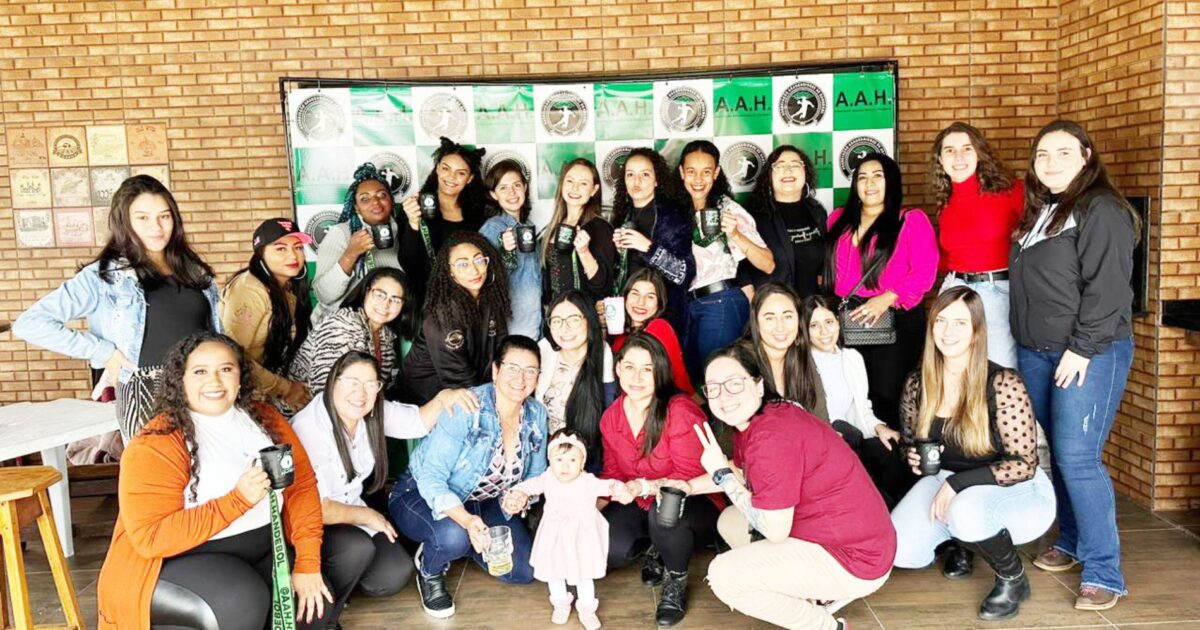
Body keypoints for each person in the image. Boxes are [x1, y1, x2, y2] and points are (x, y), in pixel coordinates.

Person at [95, 332, 334, 630]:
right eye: (200, 372)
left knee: (317, 607)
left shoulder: (265, 418)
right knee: (243, 599)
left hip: (261, 545)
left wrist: (307, 564)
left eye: (226, 369)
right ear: (180, 379)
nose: (215, 382)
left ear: (240, 376)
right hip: (177, 559)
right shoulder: (156, 442)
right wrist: (238, 500)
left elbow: (302, 487)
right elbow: (151, 538)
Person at [1012, 120, 1140, 611]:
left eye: (1062, 153)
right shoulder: (1045, 210)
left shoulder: (1101, 208)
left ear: (1086, 156)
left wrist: (1083, 348)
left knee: (1079, 458)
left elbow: (1109, 290)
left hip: (1087, 354)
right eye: (1042, 155)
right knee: (1063, 455)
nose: (1050, 163)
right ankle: (1069, 541)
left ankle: (1105, 570)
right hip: (1040, 352)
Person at [697, 344, 896, 630]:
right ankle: (812, 594)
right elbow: (739, 472)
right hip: (852, 541)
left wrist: (720, 474)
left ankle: (828, 626)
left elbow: (774, 530)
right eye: (713, 388)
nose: (723, 395)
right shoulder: (763, 418)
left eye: (734, 383)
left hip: (856, 560)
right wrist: (681, 486)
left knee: (723, 576)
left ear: (758, 385)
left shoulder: (771, 437)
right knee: (730, 521)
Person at [14, 174, 221, 443]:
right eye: (142, 218)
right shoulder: (104, 277)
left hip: (205, 389)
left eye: (164, 216)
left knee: (214, 479)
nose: (156, 227)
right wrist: (102, 351)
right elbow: (30, 323)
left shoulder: (194, 271)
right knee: (155, 480)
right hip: (146, 393)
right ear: (124, 222)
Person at [891, 287, 1055, 620]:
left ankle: (1013, 579)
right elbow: (912, 444)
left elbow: (1024, 465)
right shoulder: (917, 384)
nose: (948, 331)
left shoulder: (1002, 383)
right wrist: (909, 457)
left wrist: (957, 485)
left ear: (977, 331)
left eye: (960, 323)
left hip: (1018, 489)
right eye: (941, 321)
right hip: (949, 482)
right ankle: (960, 542)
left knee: (965, 509)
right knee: (901, 549)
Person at [291, 350, 480, 619]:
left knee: (393, 576)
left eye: (371, 384)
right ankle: (327, 596)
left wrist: (444, 398)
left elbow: (417, 423)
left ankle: (344, 574)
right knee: (359, 548)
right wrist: (369, 515)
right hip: (311, 524)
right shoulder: (310, 428)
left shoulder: (371, 410)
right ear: (334, 381)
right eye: (352, 382)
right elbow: (318, 509)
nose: (362, 392)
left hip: (350, 510)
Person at [389, 336, 548, 619]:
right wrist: (465, 520)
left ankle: (465, 544)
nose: (521, 378)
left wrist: (522, 495)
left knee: (523, 570)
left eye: (530, 370)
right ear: (496, 370)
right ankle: (430, 567)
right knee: (453, 534)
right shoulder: (467, 406)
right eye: (512, 368)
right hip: (420, 493)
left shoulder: (537, 414)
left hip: (484, 501)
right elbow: (431, 476)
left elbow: (535, 474)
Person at [599, 333, 719, 627]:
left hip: (694, 504)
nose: (637, 377)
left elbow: (689, 478)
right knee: (612, 549)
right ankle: (659, 546)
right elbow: (613, 473)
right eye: (629, 367)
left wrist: (644, 486)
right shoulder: (611, 417)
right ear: (617, 368)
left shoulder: (679, 411)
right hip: (641, 501)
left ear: (660, 372)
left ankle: (675, 579)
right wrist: (586, 508)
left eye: (647, 369)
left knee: (665, 509)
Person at [827, 153, 938, 427]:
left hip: (895, 321)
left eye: (878, 176)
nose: (870, 183)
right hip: (850, 320)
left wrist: (887, 298)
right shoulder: (838, 219)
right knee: (854, 393)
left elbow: (926, 271)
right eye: (862, 177)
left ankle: (895, 461)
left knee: (890, 396)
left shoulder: (910, 220)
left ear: (891, 181)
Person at [502, 429, 635, 630]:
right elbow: (530, 486)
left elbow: (608, 485)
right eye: (559, 459)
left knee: (584, 574)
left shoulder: (588, 481)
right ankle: (560, 602)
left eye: (573, 460)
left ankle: (587, 609)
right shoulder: (547, 478)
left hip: (581, 536)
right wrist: (518, 492)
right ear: (550, 460)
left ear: (582, 463)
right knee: (554, 571)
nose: (565, 466)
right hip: (554, 534)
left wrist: (619, 488)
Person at [675, 140, 774, 379]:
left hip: (720, 302)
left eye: (706, 172)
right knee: (694, 379)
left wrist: (736, 234)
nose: (698, 179)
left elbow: (768, 263)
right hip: (686, 306)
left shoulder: (727, 209)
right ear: (681, 172)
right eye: (691, 171)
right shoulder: (675, 211)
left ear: (717, 173)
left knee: (717, 374)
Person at [799, 293, 908, 507]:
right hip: (824, 443)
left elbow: (861, 407)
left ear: (838, 322)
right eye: (814, 326)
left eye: (829, 322)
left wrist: (878, 427)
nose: (823, 332)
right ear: (805, 330)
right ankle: (878, 509)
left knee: (888, 450)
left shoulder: (852, 358)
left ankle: (895, 507)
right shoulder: (801, 363)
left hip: (853, 435)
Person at [932, 122, 1025, 368]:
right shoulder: (946, 203)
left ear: (980, 154)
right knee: (951, 368)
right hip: (955, 286)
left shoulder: (1012, 191)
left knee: (998, 370)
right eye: (949, 150)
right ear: (940, 159)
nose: (958, 156)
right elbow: (948, 256)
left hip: (997, 290)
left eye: (967, 148)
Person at [401, 231, 511, 405]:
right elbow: (457, 378)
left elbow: (500, 348)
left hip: (472, 388)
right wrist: (491, 404)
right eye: (462, 264)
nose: (474, 270)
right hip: (426, 399)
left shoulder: (489, 299)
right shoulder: (443, 312)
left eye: (478, 260)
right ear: (450, 272)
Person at [220, 218, 314, 413]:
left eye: (298, 247)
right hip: (238, 393)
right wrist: (285, 389)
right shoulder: (250, 290)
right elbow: (231, 355)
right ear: (261, 254)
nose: (293, 255)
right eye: (281, 248)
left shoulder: (286, 288)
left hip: (263, 386)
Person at [290, 267, 414, 398]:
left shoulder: (387, 338)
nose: (385, 304)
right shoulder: (343, 323)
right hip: (304, 409)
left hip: (352, 408)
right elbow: (325, 390)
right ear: (366, 292)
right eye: (379, 294)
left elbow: (375, 391)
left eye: (395, 300)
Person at [610, 147, 695, 333]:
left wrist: (648, 247)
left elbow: (684, 274)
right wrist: (618, 252)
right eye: (630, 174)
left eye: (645, 175)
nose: (636, 181)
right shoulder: (622, 216)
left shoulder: (672, 217)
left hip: (663, 319)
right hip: (627, 319)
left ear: (657, 180)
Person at [397, 137, 489, 301]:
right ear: (437, 168)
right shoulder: (414, 207)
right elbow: (409, 263)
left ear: (470, 179)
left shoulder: (478, 214)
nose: (451, 177)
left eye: (460, 173)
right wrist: (413, 223)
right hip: (425, 301)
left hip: (466, 301)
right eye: (446, 168)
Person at [312, 162, 404, 323]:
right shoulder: (341, 233)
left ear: (391, 200)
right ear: (356, 208)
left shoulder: (404, 231)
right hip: (336, 330)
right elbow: (324, 296)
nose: (375, 202)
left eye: (382, 195)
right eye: (365, 198)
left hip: (384, 329)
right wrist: (351, 254)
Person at [537, 290, 616, 468]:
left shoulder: (602, 353)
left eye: (573, 319)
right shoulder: (543, 350)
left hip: (584, 457)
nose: (564, 329)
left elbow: (609, 409)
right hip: (542, 455)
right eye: (556, 321)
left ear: (589, 320)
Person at [745, 145, 828, 297]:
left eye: (795, 165)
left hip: (811, 308)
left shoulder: (817, 212)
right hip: (774, 310)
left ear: (805, 173)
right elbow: (741, 266)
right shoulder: (754, 216)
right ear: (769, 175)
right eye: (780, 165)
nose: (788, 170)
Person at [743, 283, 827, 419]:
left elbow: (820, 417)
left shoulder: (801, 355)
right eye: (769, 318)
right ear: (756, 323)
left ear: (799, 320)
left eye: (787, 316)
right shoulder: (742, 363)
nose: (780, 327)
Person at [541, 158, 617, 307]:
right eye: (570, 181)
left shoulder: (600, 228)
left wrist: (584, 252)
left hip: (583, 317)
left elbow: (602, 284)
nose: (575, 188)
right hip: (556, 318)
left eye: (583, 183)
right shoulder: (552, 227)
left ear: (593, 190)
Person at [480, 159, 542, 339]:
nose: (512, 192)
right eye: (503, 188)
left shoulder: (528, 226)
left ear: (525, 187)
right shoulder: (492, 228)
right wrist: (505, 253)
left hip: (534, 321)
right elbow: (483, 277)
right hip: (510, 324)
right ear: (493, 194)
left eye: (516, 185)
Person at [608, 268, 694, 397]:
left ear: (659, 304)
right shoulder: (619, 331)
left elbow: (678, 376)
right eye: (635, 294)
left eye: (650, 297)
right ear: (625, 297)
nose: (640, 302)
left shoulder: (659, 327)